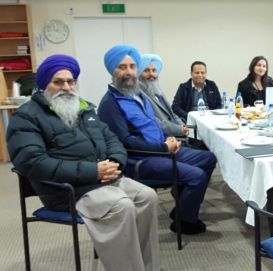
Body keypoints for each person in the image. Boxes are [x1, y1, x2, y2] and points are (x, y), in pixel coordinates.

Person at [7, 54, 160, 271]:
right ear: (44, 85)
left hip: (103, 179)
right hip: (66, 189)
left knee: (147, 196)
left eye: (70, 81)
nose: (66, 87)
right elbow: (32, 162)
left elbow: (112, 140)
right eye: (58, 82)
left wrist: (114, 163)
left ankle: (147, 266)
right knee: (121, 205)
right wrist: (93, 171)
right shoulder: (26, 117)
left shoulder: (85, 109)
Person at [97, 45, 217, 235]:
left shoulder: (137, 95)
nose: (129, 72)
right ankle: (184, 221)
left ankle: (183, 207)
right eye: (122, 67)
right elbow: (125, 142)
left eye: (132, 67)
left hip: (162, 150)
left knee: (209, 159)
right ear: (112, 71)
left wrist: (169, 140)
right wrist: (163, 147)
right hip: (140, 160)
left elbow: (153, 125)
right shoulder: (109, 104)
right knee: (196, 176)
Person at [139, 54, 188, 137]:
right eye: (146, 70)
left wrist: (183, 127)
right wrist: (179, 130)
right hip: (164, 138)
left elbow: (172, 114)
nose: (151, 74)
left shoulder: (157, 90)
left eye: (154, 70)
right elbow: (153, 121)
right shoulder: (139, 94)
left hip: (178, 135)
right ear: (139, 73)